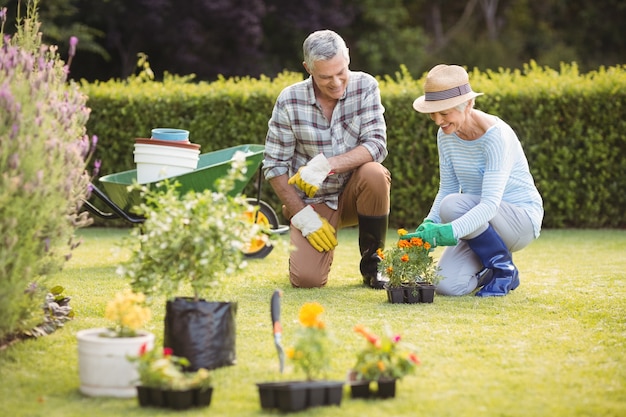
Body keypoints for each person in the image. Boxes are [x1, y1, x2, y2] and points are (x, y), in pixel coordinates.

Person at [263, 29, 391, 289]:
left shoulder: (366, 86)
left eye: (341, 72)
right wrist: (301, 215)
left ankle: (373, 266)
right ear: (307, 68)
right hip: (313, 202)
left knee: (374, 172)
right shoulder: (289, 101)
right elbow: (274, 166)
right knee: (306, 280)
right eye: (325, 77)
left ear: (348, 58)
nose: (336, 83)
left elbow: (377, 144)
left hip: (356, 195)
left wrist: (326, 166)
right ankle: (299, 243)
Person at [404, 64, 543, 297]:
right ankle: (496, 270)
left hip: (519, 221)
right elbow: (447, 187)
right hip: (478, 222)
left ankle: (503, 270)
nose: (438, 120)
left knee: (451, 205)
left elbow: (489, 205)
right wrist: (428, 224)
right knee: (447, 285)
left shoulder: (496, 137)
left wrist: (447, 232)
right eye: (433, 113)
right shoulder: (446, 134)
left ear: (468, 104)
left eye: (444, 112)